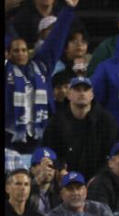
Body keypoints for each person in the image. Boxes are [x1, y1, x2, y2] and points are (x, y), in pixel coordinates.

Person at [5, 0, 78, 154]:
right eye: (16, 50)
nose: (20, 53)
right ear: (8, 53)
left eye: (24, 50)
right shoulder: (7, 69)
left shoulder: (41, 66)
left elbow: (55, 39)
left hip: (40, 138)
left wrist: (69, 10)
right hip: (9, 141)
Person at [41, 76, 119, 180]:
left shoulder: (107, 121)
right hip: (65, 180)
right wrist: (59, 169)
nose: (82, 93)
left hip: (100, 180)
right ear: (69, 94)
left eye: (85, 90)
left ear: (92, 95)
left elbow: (113, 155)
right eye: (77, 90)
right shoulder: (56, 122)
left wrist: (99, 178)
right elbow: (49, 151)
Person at [28, 146, 61, 215]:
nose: (48, 169)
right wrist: (37, 181)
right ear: (32, 169)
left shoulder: (58, 191)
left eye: (51, 166)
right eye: (43, 165)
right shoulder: (24, 189)